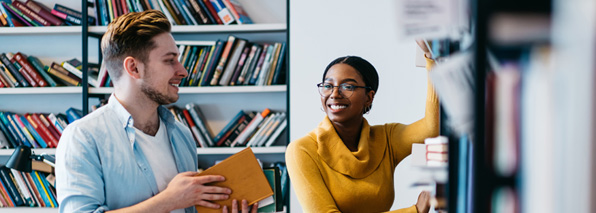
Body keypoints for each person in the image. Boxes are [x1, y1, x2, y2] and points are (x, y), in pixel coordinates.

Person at [55, 10, 256, 213]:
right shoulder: (83, 138)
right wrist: (168, 201)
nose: (183, 71)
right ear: (134, 68)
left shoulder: (182, 134)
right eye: (170, 60)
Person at [285, 47, 440, 212]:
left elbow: (431, 128)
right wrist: (413, 211)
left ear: (369, 97)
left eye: (348, 87)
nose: (335, 94)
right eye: (328, 85)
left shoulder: (387, 139)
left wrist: (432, 60)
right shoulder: (302, 150)